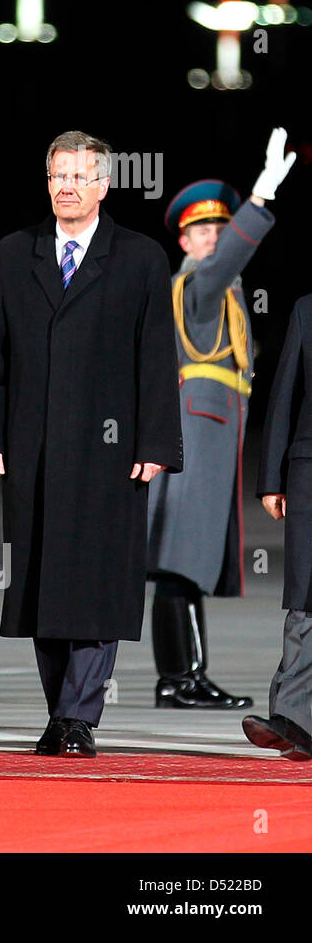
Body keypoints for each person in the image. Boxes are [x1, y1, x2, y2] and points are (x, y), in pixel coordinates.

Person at [0, 130, 182, 758]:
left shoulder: (140, 258)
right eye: (59, 175)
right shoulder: (12, 254)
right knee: (42, 585)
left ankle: (78, 717)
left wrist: (155, 439)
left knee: (96, 583)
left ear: (104, 185)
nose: (68, 187)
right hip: (31, 447)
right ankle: (63, 714)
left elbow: (155, 357)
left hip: (111, 454)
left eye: (82, 177)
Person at [148, 129, 293, 711]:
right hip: (193, 434)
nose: (214, 239)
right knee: (178, 560)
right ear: (184, 240)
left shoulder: (224, 292)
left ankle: (186, 675)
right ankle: (178, 678)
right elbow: (229, 257)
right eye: (203, 231)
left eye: (218, 228)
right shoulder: (200, 284)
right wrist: (259, 199)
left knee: (188, 560)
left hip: (212, 434)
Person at [249, 286, 312, 760]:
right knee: (305, 597)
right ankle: (290, 718)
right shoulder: (306, 308)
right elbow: (284, 392)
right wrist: (272, 477)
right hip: (309, 471)